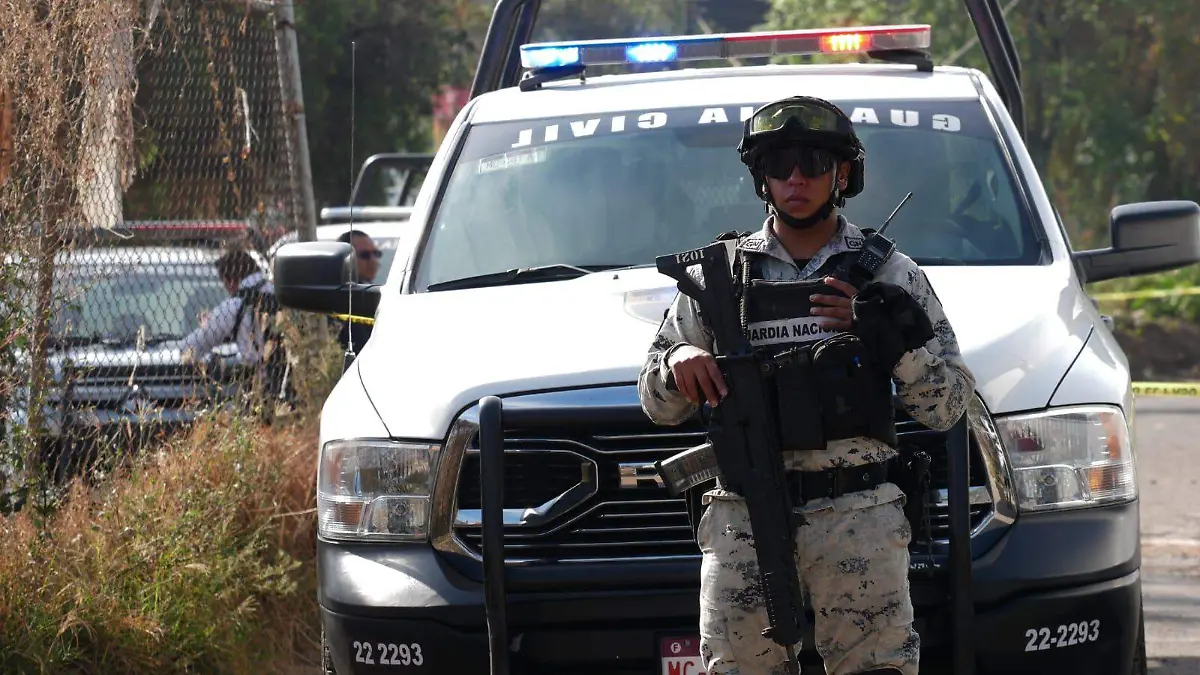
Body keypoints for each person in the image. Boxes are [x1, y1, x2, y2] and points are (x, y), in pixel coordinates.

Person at [637, 96, 976, 675]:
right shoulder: (718, 279)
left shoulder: (891, 274)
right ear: (760, 177)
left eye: (814, 163)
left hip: (857, 518)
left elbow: (948, 408)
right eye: (780, 163)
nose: (796, 178)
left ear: (842, 175)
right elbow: (654, 401)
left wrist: (891, 341)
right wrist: (681, 363)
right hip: (743, 520)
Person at [182, 247, 290, 404]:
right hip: (293, 381)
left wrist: (206, 326)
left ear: (231, 280)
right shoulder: (281, 295)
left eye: (225, 284)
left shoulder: (235, 306)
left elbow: (193, 346)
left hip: (262, 386)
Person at [334, 229, 381, 351]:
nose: (373, 260)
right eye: (365, 255)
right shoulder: (342, 297)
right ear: (345, 259)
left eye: (376, 254)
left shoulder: (375, 292)